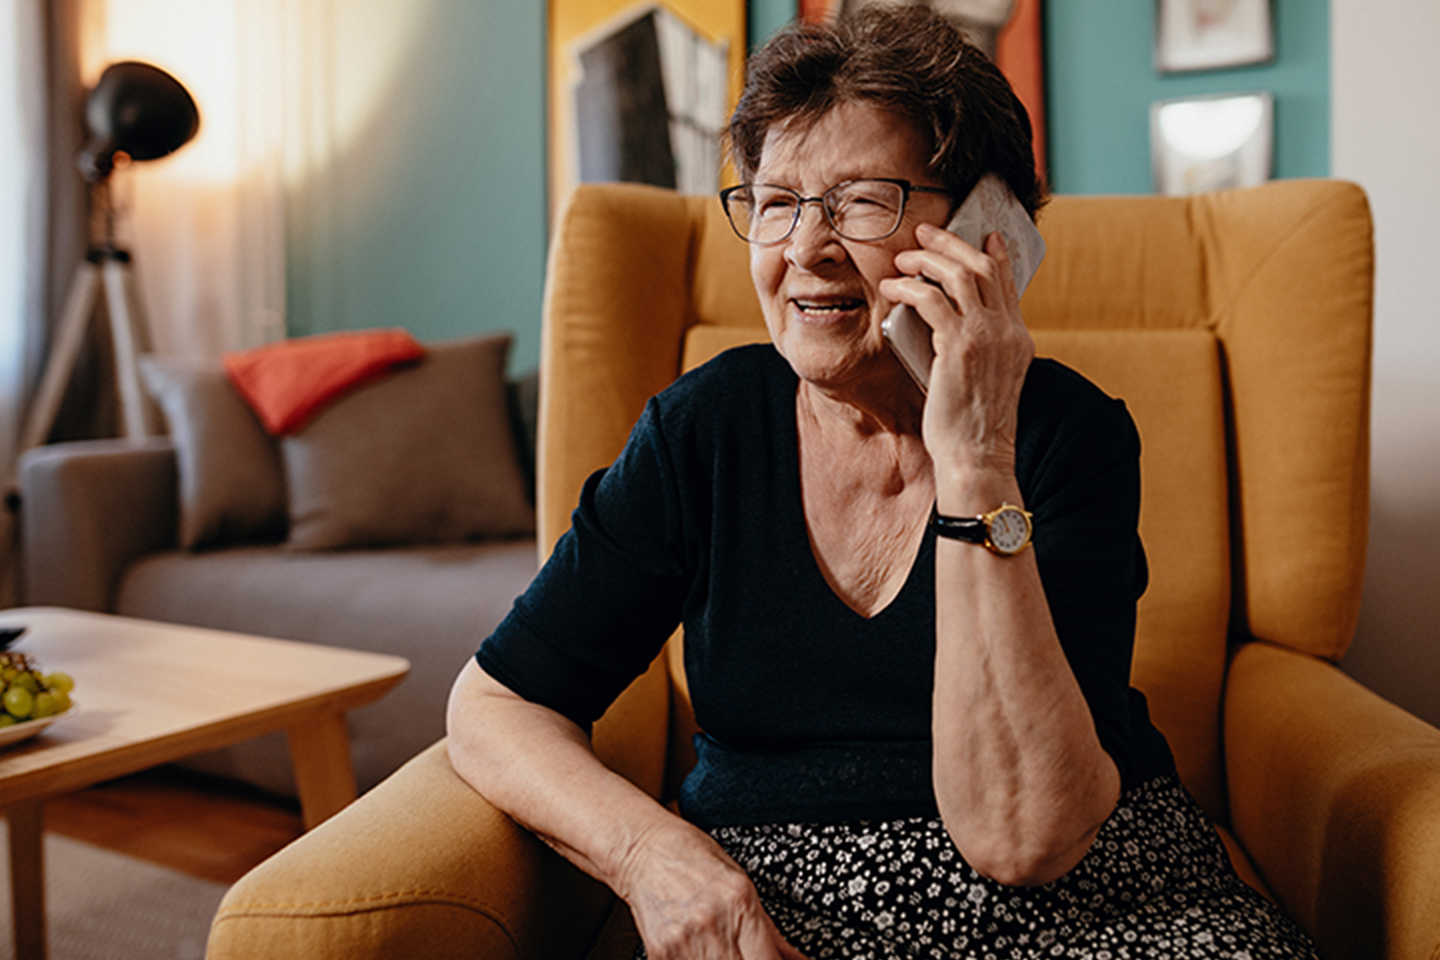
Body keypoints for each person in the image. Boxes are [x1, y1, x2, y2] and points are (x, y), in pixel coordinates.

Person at [447, 7, 1321, 958]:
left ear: (988, 233)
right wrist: (654, 859)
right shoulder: (704, 431)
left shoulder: (1069, 436)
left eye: (861, 200)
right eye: (775, 201)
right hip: (781, 895)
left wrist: (977, 458)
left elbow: (1023, 836)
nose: (806, 250)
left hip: (1099, 895)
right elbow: (498, 704)